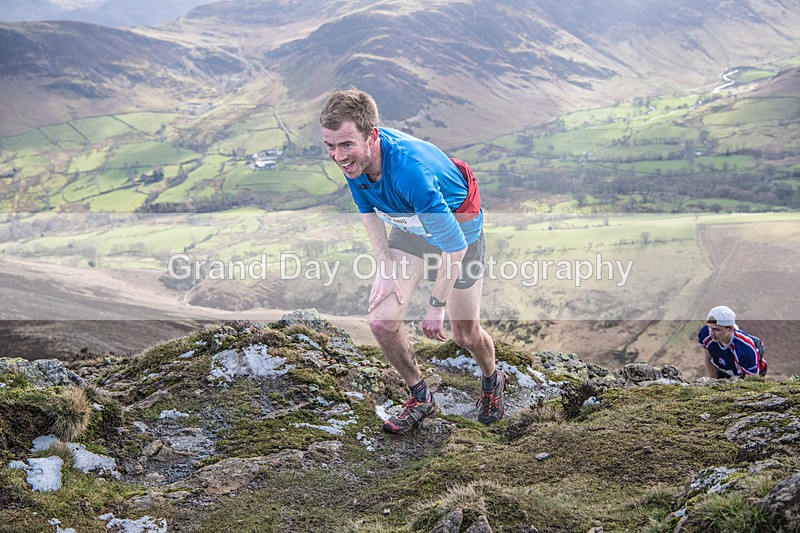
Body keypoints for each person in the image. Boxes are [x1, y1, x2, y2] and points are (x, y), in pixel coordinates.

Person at [319, 88, 504, 433]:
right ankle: (421, 397)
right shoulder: (354, 161)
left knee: (464, 335)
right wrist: (386, 269)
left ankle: (493, 382)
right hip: (412, 229)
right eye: (329, 145)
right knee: (382, 322)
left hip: (459, 236)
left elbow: (455, 248)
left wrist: (435, 304)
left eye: (345, 145)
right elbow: (369, 213)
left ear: (371, 136)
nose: (337, 156)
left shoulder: (410, 173)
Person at [698, 305, 767, 378]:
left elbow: (752, 380)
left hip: (745, 374)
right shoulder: (705, 334)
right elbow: (708, 359)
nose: (711, 333)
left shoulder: (744, 349)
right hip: (724, 369)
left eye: (717, 329)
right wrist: (712, 383)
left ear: (730, 328)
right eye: (709, 327)